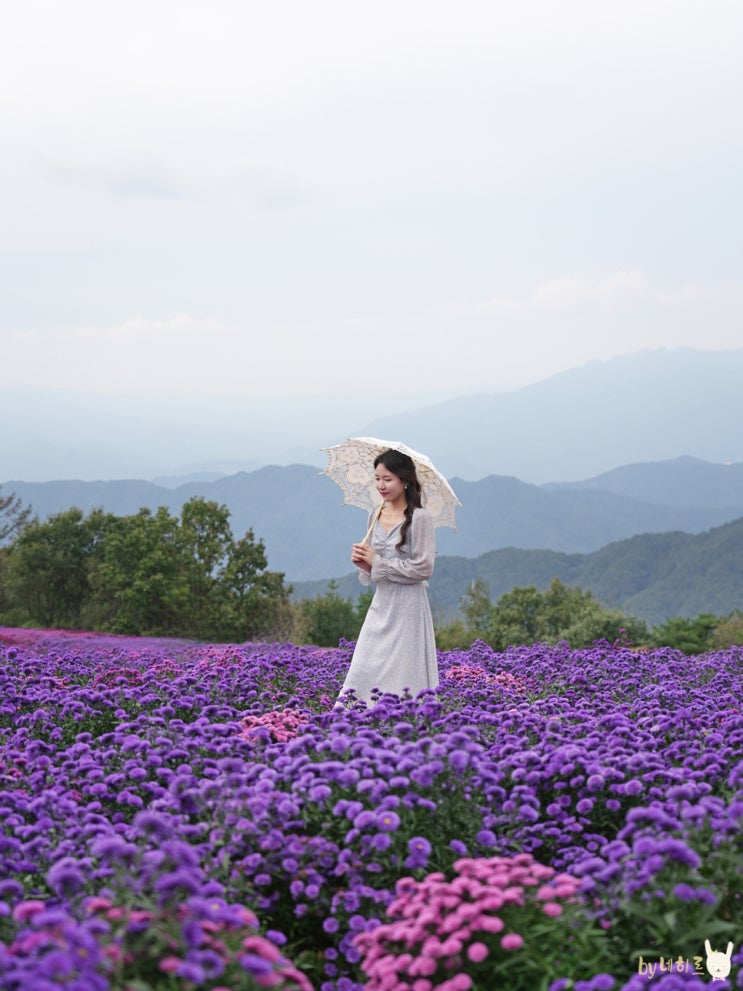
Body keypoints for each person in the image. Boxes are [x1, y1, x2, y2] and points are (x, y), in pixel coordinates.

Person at [339, 448, 439, 704]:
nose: (380, 485)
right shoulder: (375, 514)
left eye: (388, 479)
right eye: (377, 478)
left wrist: (377, 562)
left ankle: (403, 722)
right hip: (382, 603)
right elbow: (373, 574)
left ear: (405, 480)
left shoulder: (420, 518)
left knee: (403, 669)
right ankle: (355, 719)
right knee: (364, 664)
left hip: (408, 606)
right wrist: (363, 564)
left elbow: (423, 569)